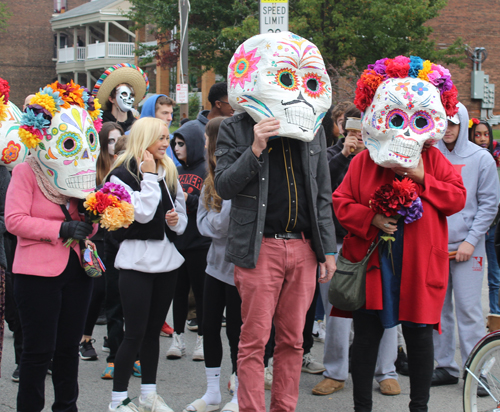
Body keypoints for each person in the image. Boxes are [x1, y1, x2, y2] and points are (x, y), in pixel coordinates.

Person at [332, 56, 467, 412]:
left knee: (420, 338)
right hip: (373, 264)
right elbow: (340, 201)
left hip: (419, 264)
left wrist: (422, 176)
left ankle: (418, 407)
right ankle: (362, 406)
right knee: (365, 339)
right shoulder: (363, 160)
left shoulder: (435, 159)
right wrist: (370, 219)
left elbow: (456, 198)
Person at [215, 32, 337, 412]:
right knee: (253, 341)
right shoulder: (234, 127)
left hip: (302, 247)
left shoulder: (311, 129)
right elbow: (223, 186)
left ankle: (285, 407)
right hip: (260, 248)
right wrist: (254, 148)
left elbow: (321, 195)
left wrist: (328, 250)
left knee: (294, 342)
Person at [6, 81, 100, 412]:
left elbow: (89, 227)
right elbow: (14, 220)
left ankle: (66, 407)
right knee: (37, 352)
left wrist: (94, 215)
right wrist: (60, 228)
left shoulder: (80, 173)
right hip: (36, 275)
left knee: (66, 350)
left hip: (77, 271)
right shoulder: (25, 172)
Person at [313, 107, 401, 397]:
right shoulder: (331, 154)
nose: (357, 135)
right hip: (338, 243)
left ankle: (385, 370)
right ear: (341, 127)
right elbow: (324, 188)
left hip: (378, 244)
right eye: (351, 127)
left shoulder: (385, 157)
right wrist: (345, 156)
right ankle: (335, 371)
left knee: (385, 310)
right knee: (338, 312)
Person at [106, 117, 187, 412]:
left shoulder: (169, 169)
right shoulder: (120, 175)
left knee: (153, 332)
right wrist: (149, 176)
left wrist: (177, 222)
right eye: (161, 138)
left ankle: (149, 395)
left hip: (166, 261)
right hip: (135, 262)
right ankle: (117, 401)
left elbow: (179, 218)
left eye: (168, 138)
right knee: (134, 333)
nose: (167, 143)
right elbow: (141, 213)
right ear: (145, 139)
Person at [432, 104, 499, 387]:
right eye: (443, 123)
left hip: (468, 248)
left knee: (469, 310)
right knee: (438, 311)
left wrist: (471, 242)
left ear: (462, 123)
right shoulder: (430, 155)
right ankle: (445, 365)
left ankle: (478, 371)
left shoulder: (480, 158)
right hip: (435, 247)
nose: (448, 129)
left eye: (453, 123)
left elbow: (489, 204)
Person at [182, 116, 241, 412]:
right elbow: (205, 224)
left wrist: (211, 222)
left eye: (207, 137)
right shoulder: (210, 176)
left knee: (236, 332)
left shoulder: (233, 173)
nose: (204, 142)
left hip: (237, 268)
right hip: (213, 265)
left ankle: (238, 394)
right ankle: (212, 393)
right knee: (208, 325)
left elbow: (219, 225)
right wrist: (212, 223)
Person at [166, 114, 211, 362]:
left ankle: (202, 340)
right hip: (179, 241)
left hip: (200, 243)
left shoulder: (207, 170)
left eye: (181, 144)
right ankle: (178, 337)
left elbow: (211, 205)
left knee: (202, 293)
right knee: (179, 292)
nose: (176, 148)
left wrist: (187, 199)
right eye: (175, 143)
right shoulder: (175, 170)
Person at [79, 121, 125, 363]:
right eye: (109, 140)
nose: (114, 145)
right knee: (97, 291)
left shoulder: (124, 167)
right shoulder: (93, 168)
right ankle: (85, 338)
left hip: (116, 236)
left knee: (115, 292)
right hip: (96, 236)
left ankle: (113, 337)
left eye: (118, 139)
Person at [469, 119, 500, 331]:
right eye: (477, 134)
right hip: (475, 228)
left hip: (494, 226)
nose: (482, 139)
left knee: (495, 275)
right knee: (472, 277)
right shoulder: (471, 159)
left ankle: (496, 315)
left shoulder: (496, 160)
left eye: (485, 135)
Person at [92, 63, 149, 132]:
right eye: (124, 94)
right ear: (111, 99)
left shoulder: (137, 126)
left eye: (131, 95)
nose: (129, 98)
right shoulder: (100, 125)